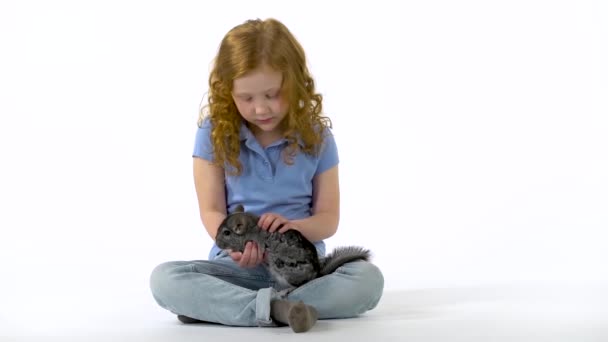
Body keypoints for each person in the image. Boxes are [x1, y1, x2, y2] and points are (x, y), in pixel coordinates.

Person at [149, 17, 384, 333]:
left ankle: (230, 307)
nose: (261, 109)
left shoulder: (317, 138)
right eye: (247, 98)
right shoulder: (212, 134)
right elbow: (212, 210)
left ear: (295, 82)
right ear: (227, 93)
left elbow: (328, 218)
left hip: (298, 270)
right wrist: (235, 248)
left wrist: (297, 227)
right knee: (165, 280)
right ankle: (276, 308)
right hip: (236, 267)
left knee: (368, 281)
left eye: (272, 94)